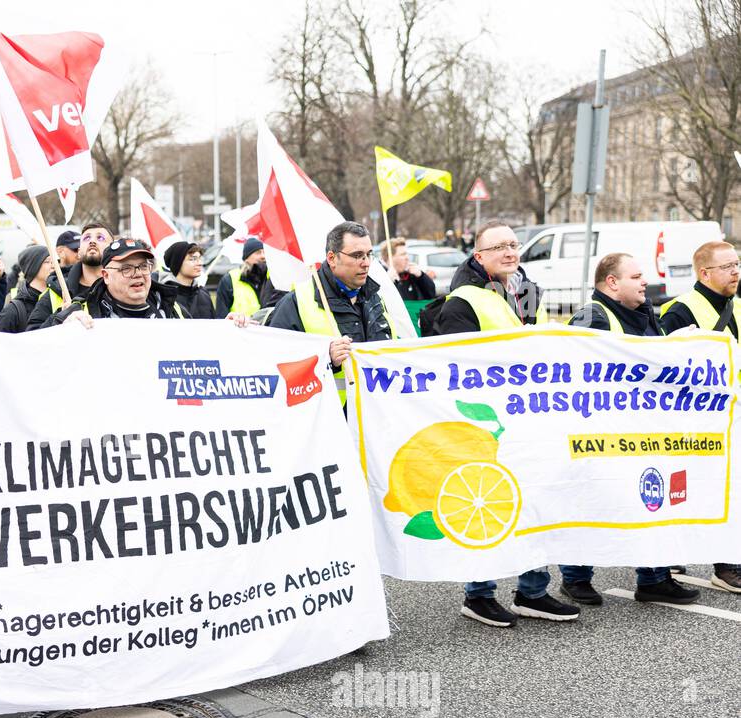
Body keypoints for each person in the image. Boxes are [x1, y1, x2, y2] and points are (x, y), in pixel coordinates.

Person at [429, 220, 579, 628]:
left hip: (529, 415)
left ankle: (533, 592)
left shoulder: (527, 291)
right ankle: (478, 595)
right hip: (487, 422)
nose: (511, 252)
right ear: (479, 256)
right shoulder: (463, 299)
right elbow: (459, 364)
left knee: (535, 501)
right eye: (500, 247)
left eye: (514, 244)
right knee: (487, 504)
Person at [557, 255, 701, 606]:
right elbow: (580, 370)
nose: (643, 282)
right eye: (636, 276)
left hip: (645, 429)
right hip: (601, 431)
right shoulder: (592, 317)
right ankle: (576, 578)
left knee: (651, 500)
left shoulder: (647, 313)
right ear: (611, 283)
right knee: (591, 501)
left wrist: (675, 346)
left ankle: (653, 577)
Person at [658, 240, 741, 592]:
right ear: (704, 273)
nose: (736, 271)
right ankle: (706, 560)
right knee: (693, 487)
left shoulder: (737, 306)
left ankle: (726, 560)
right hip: (697, 419)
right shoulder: (680, 311)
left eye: (737, 264)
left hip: (732, 414)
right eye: (727, 267)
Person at [268, 222, 394, 407]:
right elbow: (276, 362)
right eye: (357, 255)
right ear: (332, 258)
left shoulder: (375, 298)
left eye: (369, 254)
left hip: (375, 418)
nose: (366, 262)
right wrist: (326, 358)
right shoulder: (298, 301)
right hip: (327, 421)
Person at [45, 238, 190, 323]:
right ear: (106, 276)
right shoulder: (81, 310)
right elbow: (37, 345)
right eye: (126, 268)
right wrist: (62, 324)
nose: (138, 274)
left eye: (143, 266)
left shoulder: (173, 309)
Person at [29, 223, 111, 327]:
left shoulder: (123, 287)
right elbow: (32, 334)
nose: (92, 241)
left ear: (112, 249)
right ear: (79, 251)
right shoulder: (57, 290)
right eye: (86, 238)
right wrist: (60, 317)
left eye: (100, 238)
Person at [0, 246, 56, 333]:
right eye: (47, 261)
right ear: (33, 267)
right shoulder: (12, 312)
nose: (54, 266)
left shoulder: (60, 299)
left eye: (54, 261)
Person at [217, 238, 278, 317]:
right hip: (239, 328)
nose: (263, 256)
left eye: (264, 252)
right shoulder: (229, 280)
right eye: (258, 252)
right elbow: (222, 315)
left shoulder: (274, 279)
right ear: (246, 258)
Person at [161, 241, 217, 318]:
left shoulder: (204, 294)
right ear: (178, 263)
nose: (200, 263)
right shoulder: (164, 297)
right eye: (193, 259)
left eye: (199, 258)